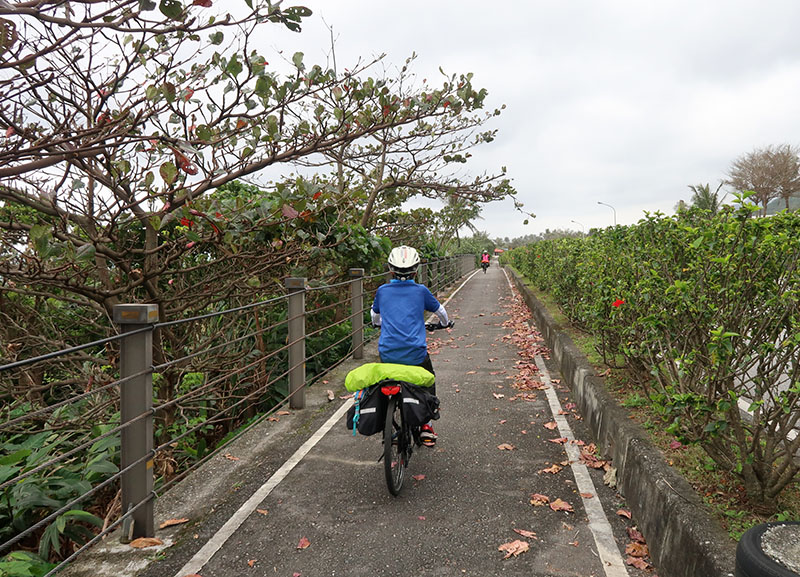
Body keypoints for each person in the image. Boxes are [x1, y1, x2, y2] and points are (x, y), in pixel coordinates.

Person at [370, 245, 451, 446]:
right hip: (415, 354)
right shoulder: (421, 291)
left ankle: (386, 420)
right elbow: (441, 312)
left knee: (385, 382)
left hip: (388, 353)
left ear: (390, 269)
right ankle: (426, 424)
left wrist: (380, 324)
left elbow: (374, 316)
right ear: (416, 270)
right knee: (428, 380)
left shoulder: (382, 291)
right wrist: (444, 324)